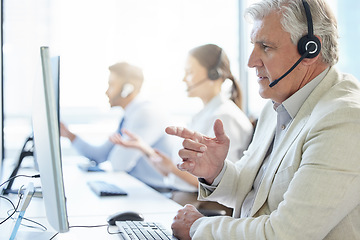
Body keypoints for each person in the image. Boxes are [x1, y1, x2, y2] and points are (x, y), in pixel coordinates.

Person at [166, 0, 360, 239]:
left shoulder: (344, 119)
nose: (251, 61)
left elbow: (286, 234)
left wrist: (198, 228)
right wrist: (215, 171)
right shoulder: (276, 105)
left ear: (310, 50)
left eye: (265, 47)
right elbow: (252, 193)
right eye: (253, 45)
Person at [110, 44, 253, 214]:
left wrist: (172, 168)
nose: (184, 79)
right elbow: (182, 174)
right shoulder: (204, 115)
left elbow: (220, 185)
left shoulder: (224, 118)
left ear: (213, 73)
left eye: (190, 72)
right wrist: (145, 149)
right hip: (184, 199)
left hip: (202, 206)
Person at [60, 62, 174, 190]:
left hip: (154, 191)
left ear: (127, 89)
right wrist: (68, 134)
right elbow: (100, 155)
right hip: (138, 188)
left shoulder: (145, 114)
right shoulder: (130, 115)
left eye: (111, 85)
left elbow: (118, 164)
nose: (106, 92)